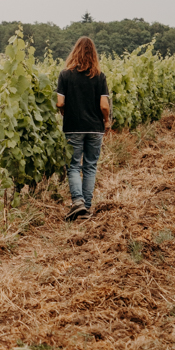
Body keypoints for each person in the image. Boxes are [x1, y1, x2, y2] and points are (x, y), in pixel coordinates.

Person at [56, 36, 111, 221]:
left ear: (75, 52)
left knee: (73, 166)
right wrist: (106, 120)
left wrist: (64, 110)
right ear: (93, 54)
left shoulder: (65, 75)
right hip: (95, 128)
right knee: (90, 166)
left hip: (73, 127)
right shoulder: (99, 76)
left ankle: (78, 202)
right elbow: (104, 105)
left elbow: (60, 101)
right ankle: (86, 208)